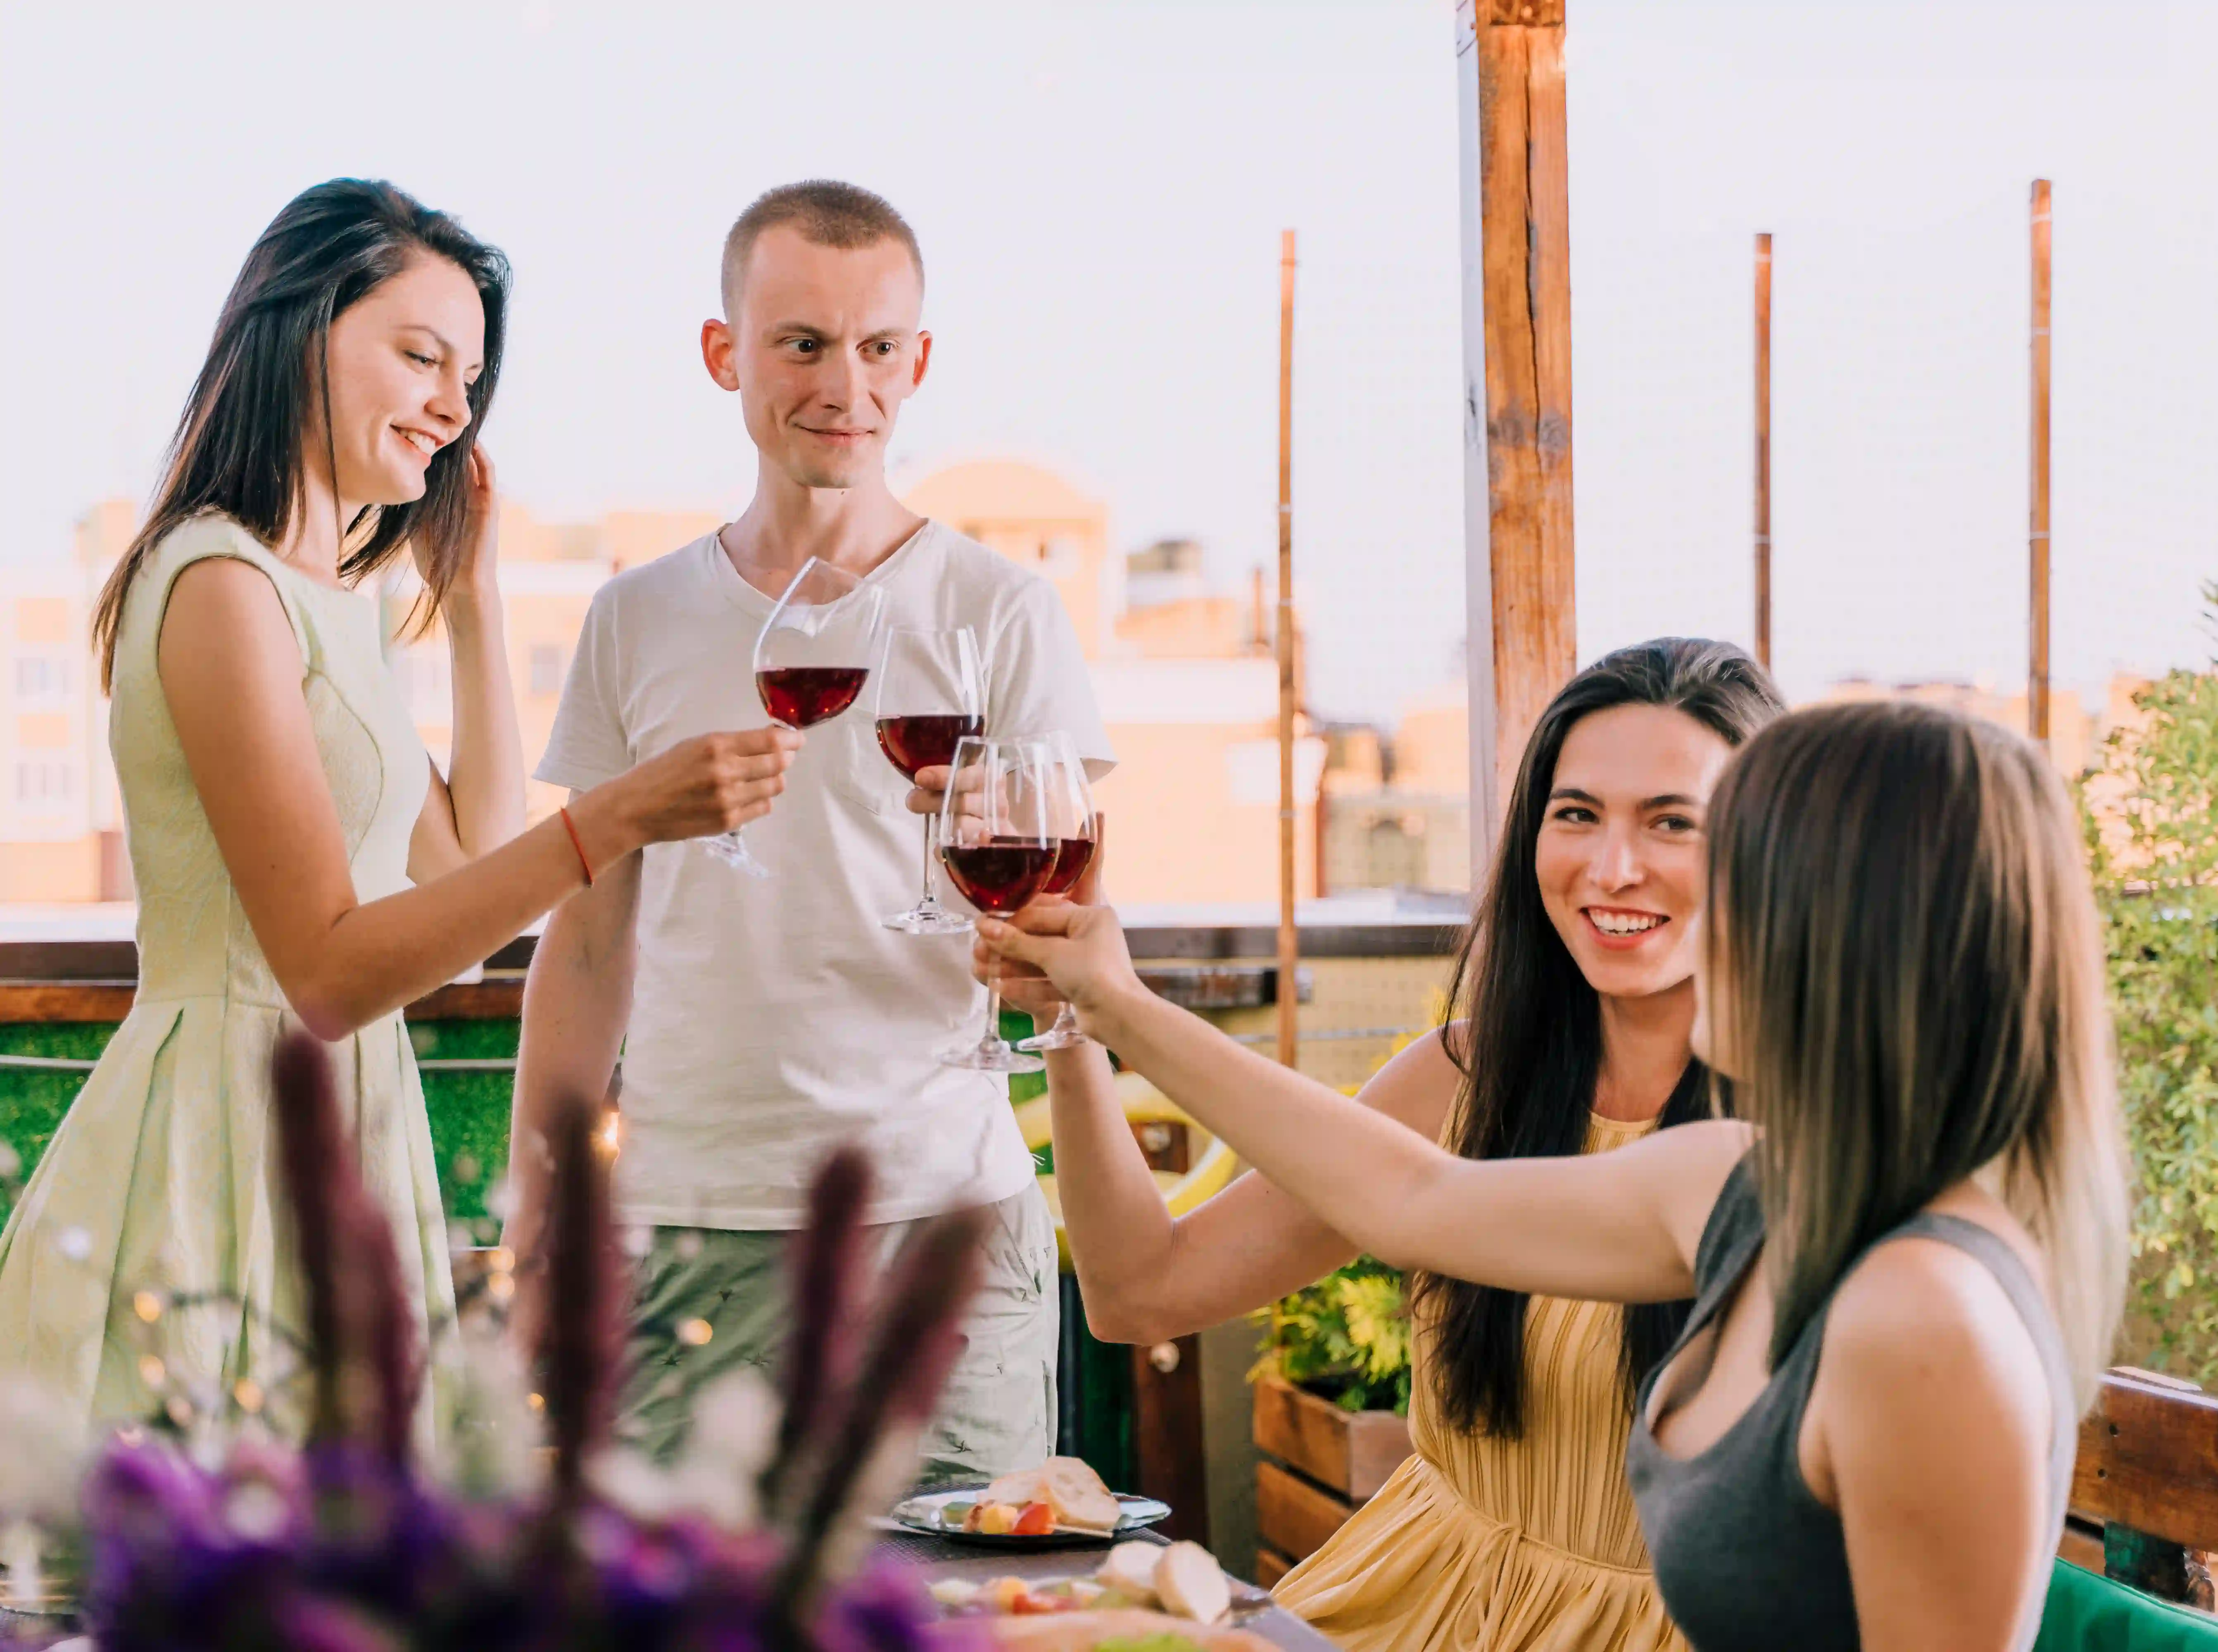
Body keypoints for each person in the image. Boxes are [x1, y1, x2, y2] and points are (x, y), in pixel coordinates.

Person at [984, 698, 2129, 1651]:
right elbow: (1410, 1198)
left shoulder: (1925, 1317)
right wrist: (1107, 1006)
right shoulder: (1746, 1188)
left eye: (1727, 866)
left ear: (1854, 935)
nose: (1671, 901)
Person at [0, 180, 795, 1451]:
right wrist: (622, 817)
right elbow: (324, 971)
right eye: (419, 355)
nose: (452, 403)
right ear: (297, 328)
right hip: (218, 1151)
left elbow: (470, 894)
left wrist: (475, 602)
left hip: (338, 1140)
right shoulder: (219, 582)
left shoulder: (332, 604)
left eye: (470, 376)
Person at [995, 639, 1781, 1652]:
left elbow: (1413, 1198)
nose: (1610, 865)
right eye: (1575, 813)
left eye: (1673, 822)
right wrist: (1071, 1026)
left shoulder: (1791, 1142)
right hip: (1408, 1603)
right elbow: (1137, 1291)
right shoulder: (1465, 1075)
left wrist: (1123, 1005)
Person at [509, 180, 1113, 1475]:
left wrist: (1000, 881)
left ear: (920, 360)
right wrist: (538, 1219)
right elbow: (589, 945)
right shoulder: (634, 618)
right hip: (690, 1223)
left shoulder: (1005, 612)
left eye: (879, 345)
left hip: (945, 1220)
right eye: (804, 344)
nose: (849, 382)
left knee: (972, 1614)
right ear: (726, 354)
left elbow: (1075, 921)